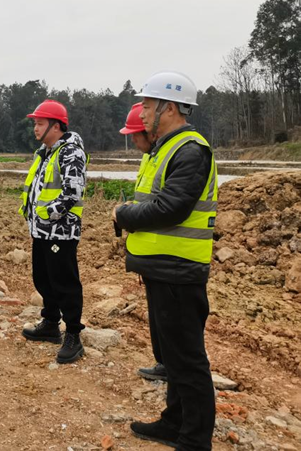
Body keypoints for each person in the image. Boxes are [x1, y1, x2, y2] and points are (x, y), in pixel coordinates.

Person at [114, 71, 217, 450]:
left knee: (187, 359)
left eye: (146, 105)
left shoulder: (190, 150)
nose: (141, 112)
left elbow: (170, 208)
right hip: (162, 268)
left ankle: (195, 439)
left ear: (169, 108)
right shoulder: (166, 148)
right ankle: (175, 422)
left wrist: (122, 214)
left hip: (179, 271)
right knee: (172, 357)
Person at [19, 100, 89, 364]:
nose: (35, 128)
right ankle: (50, 323)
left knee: (64, 282)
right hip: (41, 230)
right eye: (35, 123)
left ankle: (73, 335)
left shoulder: (71, 152)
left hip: (61, 231)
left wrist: (48, 215)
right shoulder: (45, 152)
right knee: (43, 278)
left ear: (56, 126)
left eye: (40, 123)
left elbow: (72, 192)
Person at [120, 102, 168, 382]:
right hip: (152, 253)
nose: (133, 142)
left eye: (135, 135)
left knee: (172, 321)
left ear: (149, 133)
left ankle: (174, 371)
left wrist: (124, 214)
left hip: (169, 255)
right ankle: (164, 364)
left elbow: (164, 208)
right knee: (158, 316)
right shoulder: (150, 157)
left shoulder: (173, 156)